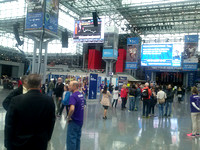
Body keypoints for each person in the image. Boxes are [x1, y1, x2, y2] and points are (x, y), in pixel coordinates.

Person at [4, 74, 55, 150]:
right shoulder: (49, 101)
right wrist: (47, 138)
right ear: (40, 85)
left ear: (27, 84)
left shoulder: (16, 100)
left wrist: (7, 143)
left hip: (19, 143)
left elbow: (9, 124)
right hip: (39, 143)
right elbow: (51, 122)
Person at [67, 81, 85, 150]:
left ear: (74, 86)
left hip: (74, 121)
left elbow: (72, 109)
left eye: (70, 85)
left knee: (71, 141)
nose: (69, 87)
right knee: (77, 140)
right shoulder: (81, 95)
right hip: (80, 121)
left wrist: (68, 117)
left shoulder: (73, 96)